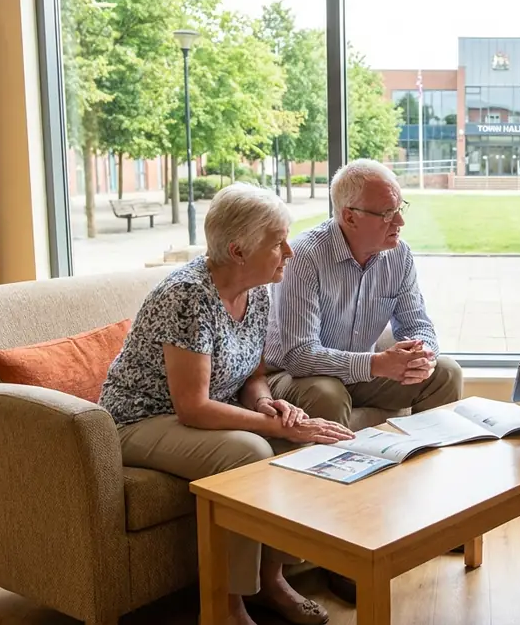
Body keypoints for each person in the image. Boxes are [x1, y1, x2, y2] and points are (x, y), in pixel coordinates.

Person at [99, 183, 353, 625]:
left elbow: (252, 375)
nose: (289, 253)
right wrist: (272, 429)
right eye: (278, 242)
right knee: (250, 453)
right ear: (238, 250)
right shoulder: (187, 296)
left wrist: (270, 406)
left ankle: (272, 580)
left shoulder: (256, 290)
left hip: (199, 409)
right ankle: (226, 607)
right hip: (138, 420)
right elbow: (192, 408)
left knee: (299, 442)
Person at [265, 158, 463, 430]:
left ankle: (424, 465)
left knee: (446, 373)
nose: (400, 221)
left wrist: (423, 354)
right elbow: (300, 356)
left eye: (400, 208)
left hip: (361, 371)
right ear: (350, 216)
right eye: (387, 213)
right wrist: (376, 364)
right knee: (328, 393)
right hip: (295, 375)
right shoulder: (305, 258)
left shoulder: (399, 255)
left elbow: (416, 323)